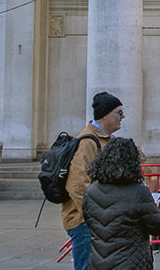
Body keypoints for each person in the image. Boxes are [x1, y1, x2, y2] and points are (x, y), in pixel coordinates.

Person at [82, 138, 160, 270]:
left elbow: (90, 222)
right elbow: (158, 227)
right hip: (131, 262)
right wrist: (154, 207)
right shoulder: (138, 191)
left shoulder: (91, 191)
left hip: (98, 262)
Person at [62, 91, 124, 270]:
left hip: (98, 220)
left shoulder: (106, 140)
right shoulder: (88, 142)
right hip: (86, 222)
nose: (123, 116)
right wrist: (97, 216)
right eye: (118, 113)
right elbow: (77, 185)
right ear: (106, 115)